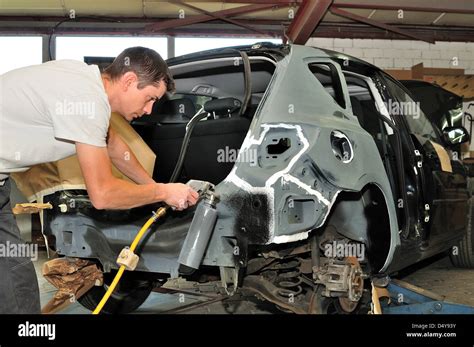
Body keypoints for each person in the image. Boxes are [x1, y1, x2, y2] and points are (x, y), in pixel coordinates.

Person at [0, 46, 199, 313]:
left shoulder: (86, 84)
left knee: (16, 282)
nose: (150, 110)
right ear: (129, 81)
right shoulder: (88, 101)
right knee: (16, 284)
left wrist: (152, 187)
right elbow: (102, 195)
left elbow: (115, 147)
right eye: (149, 98)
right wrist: (163, 192)